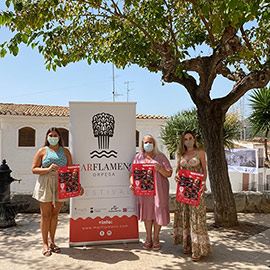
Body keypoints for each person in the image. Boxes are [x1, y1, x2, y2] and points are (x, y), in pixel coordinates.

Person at [32, 127, 83, 257]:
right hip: (46, 182)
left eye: (55, 135)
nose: (53, 137)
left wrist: (78, 185)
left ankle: (52, 242)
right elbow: (34, 169)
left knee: (55, 214)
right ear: (47, 137)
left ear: (59, 137)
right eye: (50, 135)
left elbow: (72, 170)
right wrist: (48, 169)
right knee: (45, 215)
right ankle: (44, 244)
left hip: (62, 184)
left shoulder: (65, 151)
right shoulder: (42, 151)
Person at [130, 134, 172, 250]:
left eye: (150, 142)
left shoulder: (161, 157)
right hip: (145, 192)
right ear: (142, 145)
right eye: (146, 142)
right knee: (148, 213)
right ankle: (148, 238)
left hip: (159, 190)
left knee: (158, 211)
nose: (148, 144)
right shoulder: (138, 157)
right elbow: (132, 173)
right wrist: (133, 183)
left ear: (154, 144)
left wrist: (160, 169)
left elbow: (169, 173)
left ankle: (156, 238)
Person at [174, 130, 211, 261]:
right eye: (185, 139)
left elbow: (205, 170)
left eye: (190, 138)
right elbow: (178, 170)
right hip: (184, 189)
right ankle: (187, 244)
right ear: (182, 141)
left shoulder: (200, 153)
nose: (188, 140)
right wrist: (177, 175)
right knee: (186, 215)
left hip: (197, 189)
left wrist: (204, 183)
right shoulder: (180, 154)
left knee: (197, 217)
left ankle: (198, 248)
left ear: (194, 139)